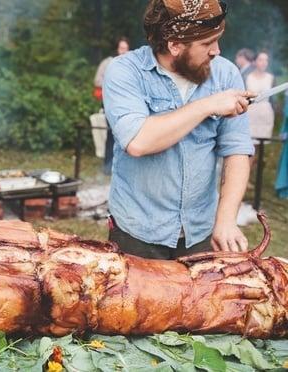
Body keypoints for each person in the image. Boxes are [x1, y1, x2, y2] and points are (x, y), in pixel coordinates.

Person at [103, 0, 255, 259]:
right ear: (174, 45)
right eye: (207, 43)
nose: (216, 51)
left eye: (217, 40)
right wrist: (208, 105)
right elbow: (138, 141)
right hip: (136, 233)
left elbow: (237, 151)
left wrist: (226, 220)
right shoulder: (125, 71)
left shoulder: (226, 75)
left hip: (201, 233)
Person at [93, 36, 130, 175]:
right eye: (121, 48)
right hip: (110, 103)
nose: (123, 52)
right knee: (111, 135)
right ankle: (108, 166)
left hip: (126, 104)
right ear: (117, 48)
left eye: (126, 49)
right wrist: (112, 84)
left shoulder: (130, 64)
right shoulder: (108, 62)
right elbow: (97, 80)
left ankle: (122, 168)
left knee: (125, 135)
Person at [246, 51, 275, 142]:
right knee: (249, 144)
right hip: (250, 113)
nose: (264, 62)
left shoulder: (271, 78)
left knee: (261, 143)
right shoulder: (247, 77)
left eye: (266, 60)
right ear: (254, 62)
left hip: (265, 113)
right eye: (261, 60)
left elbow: (272, 100)